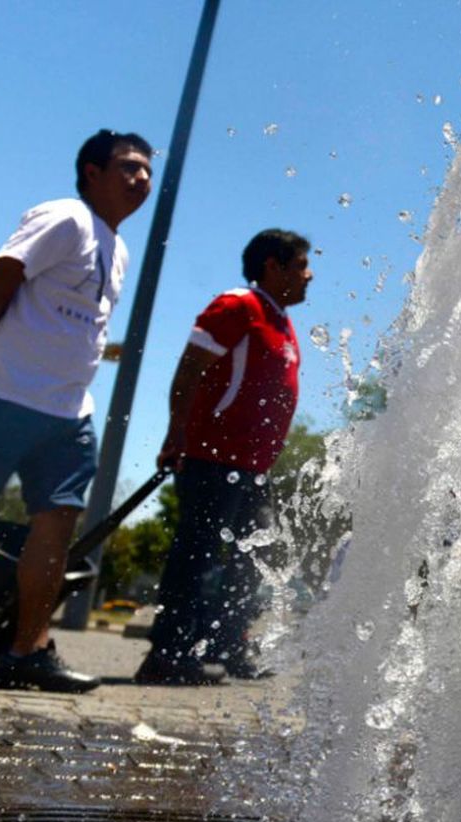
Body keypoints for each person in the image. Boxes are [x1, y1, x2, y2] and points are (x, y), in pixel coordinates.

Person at [0, 130, 153, 693]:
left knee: (55, 529)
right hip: (1, 393)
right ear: (91, 172)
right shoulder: (65, 217)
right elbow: (3, 274)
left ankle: (26, 651)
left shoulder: (119, 247)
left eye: (147, 170)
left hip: (68, 413)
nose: (142, 180)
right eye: (129, 167)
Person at [135, 229, 312, 686]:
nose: (309, 276)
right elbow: (189, 368)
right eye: (300, 266)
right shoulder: (237, 306)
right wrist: (177, 435)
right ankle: (168, 653)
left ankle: (228, 646)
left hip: (254, 467)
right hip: (213, 458)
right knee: (196, 554)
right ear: (272, 266)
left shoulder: (280, 320)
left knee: (249, 560)